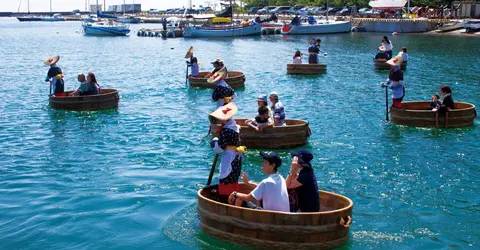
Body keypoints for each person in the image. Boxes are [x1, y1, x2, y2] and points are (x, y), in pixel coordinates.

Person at [209, 103, 245, 202]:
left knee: (226, 180)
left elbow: (218, 149)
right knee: (233, 179)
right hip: (237, 158)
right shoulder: (235, 126)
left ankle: (226, 203)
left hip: (230, 158)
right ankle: (234, 201)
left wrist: (214, 141)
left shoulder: (227, 131)